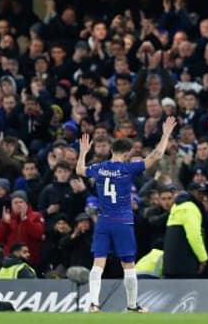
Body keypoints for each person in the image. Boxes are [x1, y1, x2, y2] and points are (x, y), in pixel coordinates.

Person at [76, 116, 176, 313]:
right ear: (129, 153)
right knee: (128, 264)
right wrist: (165, 134)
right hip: (122, 220)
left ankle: (93, 303)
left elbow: (79, 169)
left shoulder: (99, 168)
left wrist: (83, 153)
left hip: (103, 221)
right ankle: (132, 305)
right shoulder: (128, 168)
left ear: (112, 150)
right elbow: (156, 155)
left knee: (98, 262)